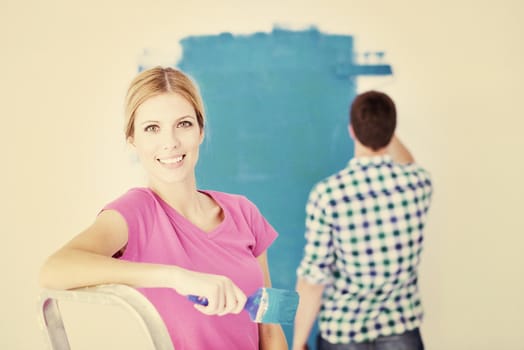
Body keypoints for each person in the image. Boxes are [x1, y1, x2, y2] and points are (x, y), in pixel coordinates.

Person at [39, 66, 288, 350]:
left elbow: (270, 326)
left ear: (200, 131)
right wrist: (176, 277)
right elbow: (53, 270)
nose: (169, 142)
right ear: (133, 139)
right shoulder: (135, 212)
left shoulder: (244, 212)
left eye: (183, 124)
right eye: (152, 128)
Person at [293, 91, 433, 350]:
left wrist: (299, 341)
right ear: (392, 132)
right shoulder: (419, 183)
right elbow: (407, 161)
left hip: (343, 332)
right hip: (402, 329)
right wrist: (384, 129)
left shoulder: (329, 194)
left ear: (351, 131)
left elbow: (313, 280)